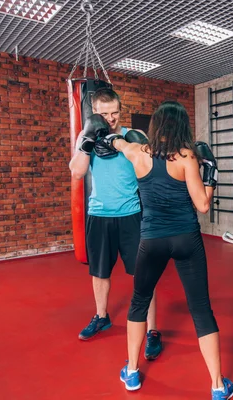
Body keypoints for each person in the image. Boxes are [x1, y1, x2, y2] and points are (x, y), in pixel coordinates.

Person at [93, 101, 233, 398]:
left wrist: (106, 137)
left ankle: (132, 372)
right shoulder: (187, 158)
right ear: (183, 126)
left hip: (152, 239)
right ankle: (218, 386)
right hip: (186, 239)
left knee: (139, 302)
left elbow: (116, 142)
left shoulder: (137, 152)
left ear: (154, 126)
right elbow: (203, 206)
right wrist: (211, 177)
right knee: (201, 308)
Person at [68, 88, 163, 360]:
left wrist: (137, 147)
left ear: (121, 110)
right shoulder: (86, 137)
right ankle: (101, 316)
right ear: (94, 113)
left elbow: (153, 167)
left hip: (131, 215)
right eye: (103, 113)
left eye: (114, 113)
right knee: (99, 273)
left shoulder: (134, 136)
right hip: (99, 216)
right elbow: (77, 172)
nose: (110, 118)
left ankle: (153, 330)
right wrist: (87, 141)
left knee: (144, 275)